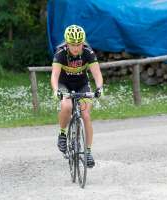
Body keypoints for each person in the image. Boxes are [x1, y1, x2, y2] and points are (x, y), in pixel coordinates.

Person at [51, 24, 104, 168]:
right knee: (66, 105)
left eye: (79, 44)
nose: (76, 48)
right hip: (64, 85)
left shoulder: (88, 52)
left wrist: (99, 87)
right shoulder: (60, 53)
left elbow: (97, 73)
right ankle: (62, 134)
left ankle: (88, 152)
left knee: (86, 115)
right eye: (73, 45)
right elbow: (54, 75)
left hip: (82, 84)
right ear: (67, 43)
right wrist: (56, 90)